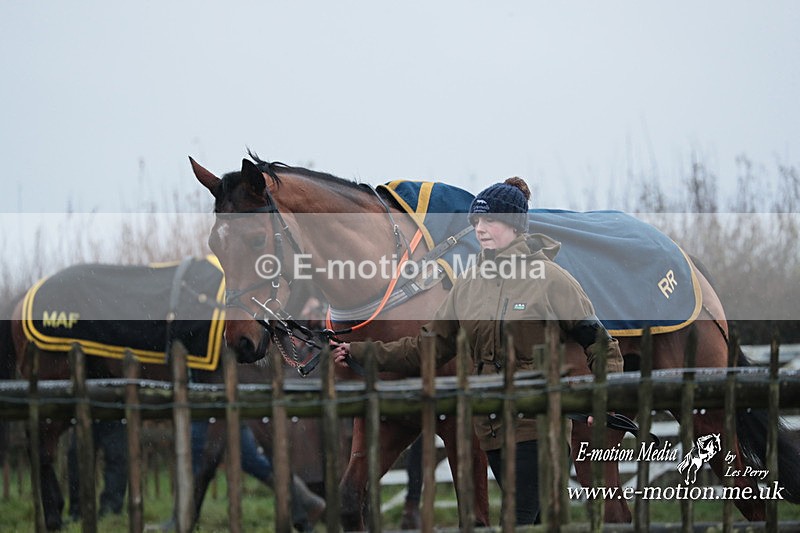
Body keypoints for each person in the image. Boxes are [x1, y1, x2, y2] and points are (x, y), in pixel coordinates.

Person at [332, 177, 624, 525]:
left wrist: (605, 395)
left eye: (490, 221)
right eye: (476, 222)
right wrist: (360, 353)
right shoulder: (467, 286)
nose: (480, 229)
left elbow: (600, 343)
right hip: (492, 434)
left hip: (537, 430)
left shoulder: (551, 279)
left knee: (520, 521)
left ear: (515, 226)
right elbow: (426, 349)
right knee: (541, 521)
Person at [67, 420, 128, 521]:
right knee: (78, 456)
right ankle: (78, 511)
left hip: (113, 412)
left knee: (116, 456)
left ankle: (111, 511)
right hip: (92, 411)